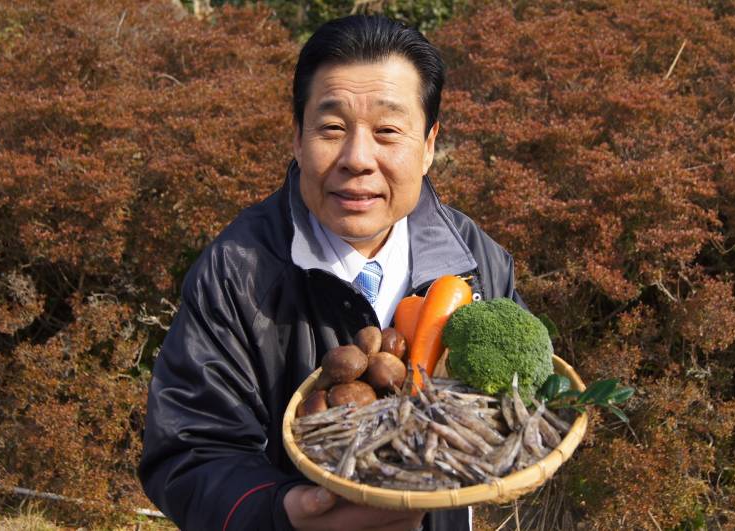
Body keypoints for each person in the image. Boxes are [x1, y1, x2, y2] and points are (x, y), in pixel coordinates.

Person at [139, 14, 526, 531]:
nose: (357, 158)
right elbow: (188, 452)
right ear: (298, 138)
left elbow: (517, 403)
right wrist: (287, 512)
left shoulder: (476, 260)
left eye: (388, 131)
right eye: (332, 128)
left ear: (429, 144)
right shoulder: (237, 270)